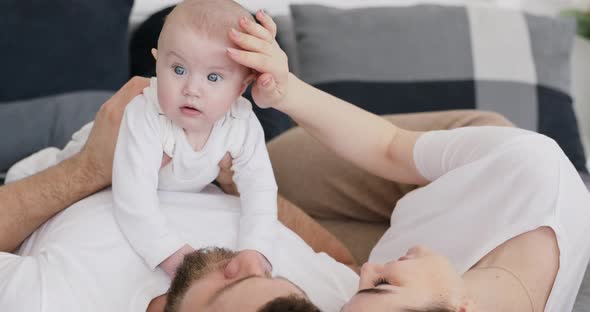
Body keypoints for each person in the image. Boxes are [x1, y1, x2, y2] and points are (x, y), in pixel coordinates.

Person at [221, 7, 590, 312]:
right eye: (380, 285)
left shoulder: (389, 279)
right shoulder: (528, 169)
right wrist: (286, 91)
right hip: (436, 177)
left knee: (238, 181)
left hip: (405, 239)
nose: (368, 272)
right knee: (278, 166)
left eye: (359, 293)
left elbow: (361, 273)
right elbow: (390, 146)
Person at [63, 0, 279, 278]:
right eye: (178, 70)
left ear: (242, 86)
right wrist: (171, 253)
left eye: (214, 77)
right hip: (94, 155)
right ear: (157, 62)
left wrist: (255, 249)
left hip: (175, 186)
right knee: (56, 161)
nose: (191, 89)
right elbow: (133, 198)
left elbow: (259, 188)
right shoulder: (146, 114)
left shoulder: (241, 122)